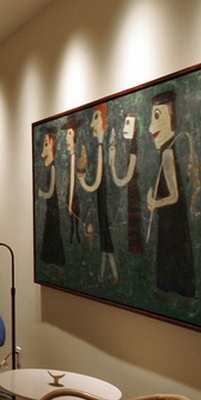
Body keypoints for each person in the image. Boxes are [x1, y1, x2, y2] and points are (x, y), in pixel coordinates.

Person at [146, 91, 195, 299]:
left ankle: (175, 290)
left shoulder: (167, 152)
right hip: (171, 218)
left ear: (171, 117)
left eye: (157, 116)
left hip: (172, 218)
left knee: (172, 252)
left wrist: (154, 203)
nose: (151, 128)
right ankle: (176, 290)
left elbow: (174, 196)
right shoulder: (166, 151)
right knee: (174, 252)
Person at [79, 105, 117, 282]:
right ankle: (106, 275)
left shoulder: (104, 147)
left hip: (106, 203)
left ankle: (108, 275)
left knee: (106, 244)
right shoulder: (99, 148)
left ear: (104, 121)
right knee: (105, 245)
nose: (91, 124)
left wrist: (82, 180)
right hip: (101, 202)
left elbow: (95, 184)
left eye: (96, 118)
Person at [109, 113, 142, 254]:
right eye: (125, 123)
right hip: (131, 194)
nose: (124, 128)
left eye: (128, 123)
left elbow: (123, 179)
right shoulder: (129, 149)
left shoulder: (134, 151)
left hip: (135, 196)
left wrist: (112, 165)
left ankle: (136, 247)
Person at [37, 128, 66, 268]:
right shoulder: (47, 167)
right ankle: (49, 263)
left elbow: (51, 192)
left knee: (53, 235)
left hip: (53, 209)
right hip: (50, 208)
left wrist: (42, 194)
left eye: (46, 143)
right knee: (49, 235)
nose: (44, 146)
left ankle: (57, 262)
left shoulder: (53, 168)